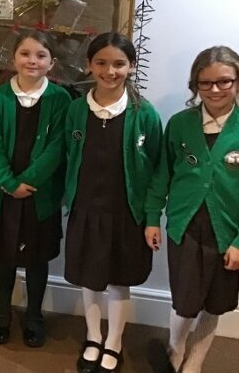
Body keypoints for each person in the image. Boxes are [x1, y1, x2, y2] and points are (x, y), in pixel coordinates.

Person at [144, 46, 239, 373]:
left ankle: (195, 361)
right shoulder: (180, 125)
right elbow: (162, 174)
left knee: (215, 301)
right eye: (205, 83)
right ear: (195, 86)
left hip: (226, 232)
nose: (215, 90)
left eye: (224, 81)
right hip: (184, 227)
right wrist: (152, 217)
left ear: (238, 82)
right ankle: (175, 349)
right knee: (184, 302)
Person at [63, 32, 162, 373]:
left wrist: (151, 217)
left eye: (119, 63)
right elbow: (68, 154)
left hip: (126, 214)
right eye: (101, 63)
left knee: (120, 280)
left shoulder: (144, 114)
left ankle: (114, 341)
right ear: (89, 65)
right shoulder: (76, 110)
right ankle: (93, 337)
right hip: (87, 210)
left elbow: (156, 169)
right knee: (90, 278)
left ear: (131, 66)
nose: (110, 71)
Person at [0, 30, 71, 347]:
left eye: (40, 55)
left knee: (37, 258)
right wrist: (9, 183)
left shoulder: (61, 99)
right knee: (4, 256)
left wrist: (28, 182)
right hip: (4, 193)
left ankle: (34, 315)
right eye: (25, 53)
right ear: (14, 58)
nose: (32, 60)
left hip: (40, 195)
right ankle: (2, 312)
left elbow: (57, 147)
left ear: (51, 63)